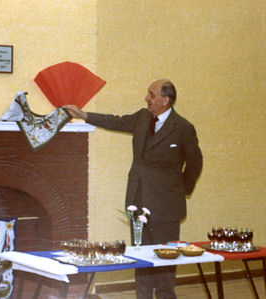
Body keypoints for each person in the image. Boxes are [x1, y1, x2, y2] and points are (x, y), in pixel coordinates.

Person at [64, 79, 202, 299]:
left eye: (151, 94)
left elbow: (195, 164)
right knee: (142, 261)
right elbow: (116, 122)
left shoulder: (183, 128)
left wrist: (179, 190)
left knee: (165, 264)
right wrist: (84, 115)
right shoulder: (142, 117)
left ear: (165, 100)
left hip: (167, 207)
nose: (147, 98)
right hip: (138, 201)